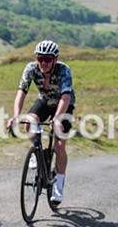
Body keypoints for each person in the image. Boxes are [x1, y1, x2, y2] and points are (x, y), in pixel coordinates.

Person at [7, 40, 75, 205]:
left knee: (59, 146)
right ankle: (37, 151)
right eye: (40, 59)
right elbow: (21, 92)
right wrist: (16, 116)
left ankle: (58, 185)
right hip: (44, 101)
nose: (43, 63)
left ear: (55, 60)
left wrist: (57, 118)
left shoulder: (64, 70)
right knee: (30, 122)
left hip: (63, 104)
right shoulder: (31, 69)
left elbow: (66, 96)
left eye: (47, 59)